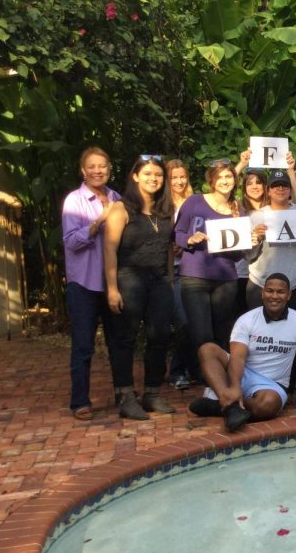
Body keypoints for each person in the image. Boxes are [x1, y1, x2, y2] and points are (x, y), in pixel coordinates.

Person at [188, 273, 296, 431]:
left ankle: (220, 405)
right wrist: (235, 386)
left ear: (289, 295)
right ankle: (228, 398)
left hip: (272, 384)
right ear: (262, 293)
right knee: (207, 349)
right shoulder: (246, 320)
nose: (274, 296)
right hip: (243, 373)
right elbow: (237, 357)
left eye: (280, 292)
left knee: (268, 405)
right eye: (269, 290)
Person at [103, 155, 175, 420]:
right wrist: (112, 288)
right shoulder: (121, 208)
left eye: (157, 174)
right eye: (147, 174)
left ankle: (152, 393)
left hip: (158, 281)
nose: (153, 178)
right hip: (128, 278)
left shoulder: (166, 211)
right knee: (125, 338)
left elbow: (168, 249)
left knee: (159, 337)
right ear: (135, 176)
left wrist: (169, 279)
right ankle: (125, 396)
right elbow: (109, 250)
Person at [62, 147, 120, 420]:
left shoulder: (116, 198)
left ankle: (123, 395)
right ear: (83, 170)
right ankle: (80, 401)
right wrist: (99, 221)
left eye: (103, 166)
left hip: (112, 284)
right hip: (83, 284)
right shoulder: (74, 201)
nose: (98, 171)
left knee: (118, 342)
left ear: (109, 169)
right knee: (83, 346)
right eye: (92, 166)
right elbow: (72, 241)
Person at [173, 159, 246, 351]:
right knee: (201, 333)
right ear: (211, 181)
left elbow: (238, 255)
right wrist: (189, 239)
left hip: (226, 280)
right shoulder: (194, 201)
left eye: (228, 176)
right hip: (194, 277)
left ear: (235, 179)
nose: (224, 180)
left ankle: (213, 377)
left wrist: (252, 241)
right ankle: (201, 374)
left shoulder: (238, 209)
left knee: (220, 332)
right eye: (219, 177)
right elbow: (177, 234)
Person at [245, 170, 296, 312]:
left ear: (290, 190)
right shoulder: (257, 217)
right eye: (275, 186)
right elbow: (248, 255)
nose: (280, 189)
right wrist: (256, 240)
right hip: (261, 284)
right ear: (268, 191)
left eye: (284, 185)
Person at [166, 159, 199, 391]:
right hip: (170, 271)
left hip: (192, 267)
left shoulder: (194, 201)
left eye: (182, 176)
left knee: (195, 322)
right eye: (174, 177)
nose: (179, 181)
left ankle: (192, 369)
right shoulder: (162, 204)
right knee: (184, 322)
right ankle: (176, 370)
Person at [235, 169, 268, 316]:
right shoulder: (236, 210)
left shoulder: (275, 209)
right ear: (243, 188)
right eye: (249, 183)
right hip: (241, 274)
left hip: (266, 274)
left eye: (259, 182)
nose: (254, 186)